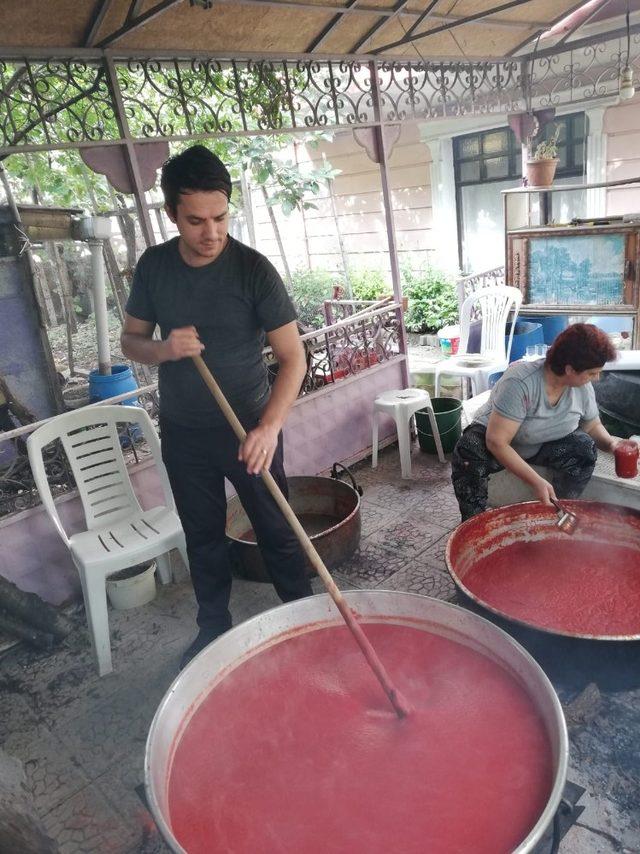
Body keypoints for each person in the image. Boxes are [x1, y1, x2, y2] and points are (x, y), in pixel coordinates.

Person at [121, 145, 313, 668]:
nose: (211, 233)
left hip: (250, 428)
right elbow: (131, 341)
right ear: (171, 216)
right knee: (202, 536)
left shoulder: (253, 270)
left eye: (221, 217)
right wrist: (163, 350)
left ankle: (304, 619)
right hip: (184, 435)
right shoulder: (155, 268)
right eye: (196, 221)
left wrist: (269, 428)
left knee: (277, 529)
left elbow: (293, 358)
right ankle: (213, 629)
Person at [451, 323, 623, 521]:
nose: (596, 378)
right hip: (498, 446)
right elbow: (496, 442)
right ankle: (474, 525)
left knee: (584, 448)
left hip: (541, 445)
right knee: (469, 449)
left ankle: (558, 512)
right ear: (569, 369)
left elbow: (592, 425)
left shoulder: (582, 388)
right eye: (592, 373)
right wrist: (536, 481)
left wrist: (612, 444)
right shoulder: (521, 382)